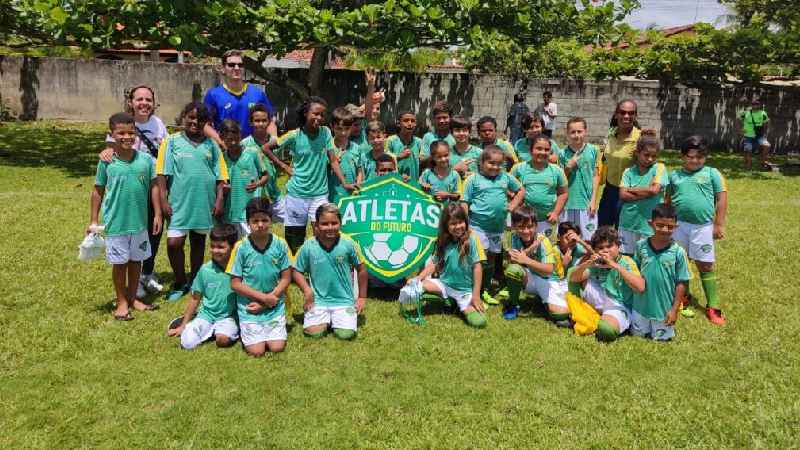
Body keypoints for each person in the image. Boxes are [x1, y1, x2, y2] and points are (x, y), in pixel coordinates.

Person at [89, 112, 162, 320]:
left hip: (139, 223)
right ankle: (121, 301)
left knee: (136, 261)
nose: (127, 137)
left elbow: (155, 187)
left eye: (131, 132)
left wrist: (157, 213)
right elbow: (97, 190)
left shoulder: (146, 160)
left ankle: (132, 297)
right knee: (120, 263)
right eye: (121, 133)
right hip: (117, 223)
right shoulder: (107, 162)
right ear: (112, 134)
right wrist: (93, 220)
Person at [98, 85, 169, 298]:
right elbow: (109, 149)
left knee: (154, 228)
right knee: (131, 229)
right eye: (139, 99)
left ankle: (147, 271)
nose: (144, 103)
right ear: (131, 102)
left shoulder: (158, 124)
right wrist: (106, 152)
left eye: (148, 99)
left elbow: (166, 151)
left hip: (155, 181)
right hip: (131, 186)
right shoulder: (122, 122)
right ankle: (132, 280)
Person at [156, 102, 228, 302]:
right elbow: (162, 173)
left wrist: (220, 199)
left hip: (204, 201)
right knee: (174, 243)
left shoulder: (211, 145)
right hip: (179, 202)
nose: (195, 122)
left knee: (198, 241)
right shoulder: (171, 142)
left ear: (207, 123)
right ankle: (180, 281)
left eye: (201, 120)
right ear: (184, 117)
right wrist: (163, 200)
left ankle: (195, 280)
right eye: (191, 117)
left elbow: (221, 175)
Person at [261, 96, 351, 254]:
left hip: (319, 195)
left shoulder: (326, 133)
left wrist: (344, 182)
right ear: (305, 113)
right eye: (315, 114)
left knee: (324, 234)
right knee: (295, 239)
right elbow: (266, 148)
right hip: (297, 195)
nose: (319, 118)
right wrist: (284, 166)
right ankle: (295, 271)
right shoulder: (294, 135)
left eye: (322, 115)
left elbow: (333, 160)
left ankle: (318, 266)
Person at [666, 136, 728, 326]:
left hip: (702, 227)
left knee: (705, 265)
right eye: (690, 157)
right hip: (679, 227)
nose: (694, 161)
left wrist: (718, 224)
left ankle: (713, 306)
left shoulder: (712, 173)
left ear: (705, 157)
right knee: (679, 262)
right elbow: (667, 200)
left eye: (699, 157)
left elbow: (722, 198)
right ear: (683, 157)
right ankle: (683, 297)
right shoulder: (674, 175)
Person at [293, 204, 368, 340]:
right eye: (324, 224)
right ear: (316, 225)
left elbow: (362, 269)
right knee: (314, 333)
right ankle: (324, 319)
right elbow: (296, 271)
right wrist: (307, 290)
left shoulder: (348, 243)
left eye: (334, 223)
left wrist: (362, 297)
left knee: (345, 334)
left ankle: (337, 319)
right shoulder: (308, 246)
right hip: (318, 301)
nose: (330, 227)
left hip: (344, 300)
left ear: (340, 223)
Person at [227, 198, 292, 356]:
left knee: (277, 347)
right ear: (248, 222)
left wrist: (270, 299)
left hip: (274, 303)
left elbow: (286, 278)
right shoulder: (240, 247)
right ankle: (238, 322)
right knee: (257, 351)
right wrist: (263, 298)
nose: (260, 225)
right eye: (255, 221)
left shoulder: (280, 244)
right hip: (250, 307)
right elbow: (235, 284)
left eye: (264, 220)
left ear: (271, 220)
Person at [407, 202, 488, 328]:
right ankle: (449, 300)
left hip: (464, 291)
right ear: (446, 226)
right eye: (453, 224)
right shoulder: (443, 239)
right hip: (444, 284)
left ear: (465, 221)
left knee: (479, 322)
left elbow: (477, 267)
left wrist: (476, 296)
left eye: (461, 222)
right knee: (417, 287)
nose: (458, 226)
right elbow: (435, 263)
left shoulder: (473, 239)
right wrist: (418, 278)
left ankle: (456, 302)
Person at [463, 146, 525, 304]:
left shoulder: (505, 177)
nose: (495, 167)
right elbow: (464, 202)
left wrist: (513, 205)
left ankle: (485, 289)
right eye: (491, 163)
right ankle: (471, 289)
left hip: (497, 228)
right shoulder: (473, 179)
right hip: (477, 226)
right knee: (479, 258)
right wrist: (466, 225)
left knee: (491, 259)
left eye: (499, 164)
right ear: (481, 163)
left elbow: (521, 190)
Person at [168, 224, 240, 349]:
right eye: (212, 246)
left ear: (233, 247)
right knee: (187, 344)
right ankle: (199, 324)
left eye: (221, 247)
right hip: (207, 315)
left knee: (222, 341)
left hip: (229, 317)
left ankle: (218, 331)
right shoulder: (205, 270)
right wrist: (183, 326)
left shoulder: (240, 269)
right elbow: (195, 298)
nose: (215, 250)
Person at [568, 226, 645, 342]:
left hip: (619, 304)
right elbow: (573, 278)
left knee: (606, 330)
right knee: (573, 272)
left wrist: (614, 265)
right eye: (600, 248)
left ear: (618, 246)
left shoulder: (627, 262)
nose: (605, 250)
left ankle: (593, 318)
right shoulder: (597, 261)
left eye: (609, 246)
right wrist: (588, 264)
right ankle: (580, 312)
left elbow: (640, 287)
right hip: (600, 298)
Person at [630, 204, 691, 341]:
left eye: (670, 227)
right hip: (640, 307)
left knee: (662, 340)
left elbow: (682, 282)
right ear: (651, 223)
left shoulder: (678, 252)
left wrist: (674, 310)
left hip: (663, 310)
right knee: (637, 336)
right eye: (660, 225)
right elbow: (635, 273)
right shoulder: (641, 246)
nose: (664, 230)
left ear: (676, 227)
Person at [503, 206, 571, 324]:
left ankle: (544, 300)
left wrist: (526, 260)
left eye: (530, 227)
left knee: (561, 315)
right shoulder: (514, 238)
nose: (526, 231)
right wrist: (531, 249)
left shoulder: (543, 240)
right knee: (513, 270)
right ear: (514, 226)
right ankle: (513, 304)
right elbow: (515, 261)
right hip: (531, 277)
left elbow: (549, 270)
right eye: (521, 227)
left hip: (548, 279)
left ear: (536, 226)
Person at [203, 49, 276, 142]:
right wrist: (221, 143)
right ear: (223, 68)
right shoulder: (213, 95)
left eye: (240, 65)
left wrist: (273, 138)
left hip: (253, 150)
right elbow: (205, 124)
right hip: (225, 150)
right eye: (231, 65)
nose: (236, 68)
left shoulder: (258, 94)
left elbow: (271, 120)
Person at [618, 130, 669, 255]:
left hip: (650, 224)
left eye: (654, 156)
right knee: (627, 258)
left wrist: (631, 189)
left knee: (648, 258)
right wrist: (648, 190)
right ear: (637, 153)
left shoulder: (659, 168)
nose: (650, 159)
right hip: (628, 222)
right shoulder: (628, 172)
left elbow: (654, 190)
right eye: (646, 155)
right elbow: (623, 195)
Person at [510, 134, 568, 237]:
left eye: (546, 149)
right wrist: (517, 204)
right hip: (524, 221)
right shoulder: (519, 169)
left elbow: (563, 194)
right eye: (539, 149)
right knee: (523, 248)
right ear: (531, 150)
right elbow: (507, 188)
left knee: (545, 248)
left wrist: (555, 213)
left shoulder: (557, 171)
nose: (543, 152)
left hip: (546, 220)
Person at [219, 119, 267, 238]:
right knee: (234, 247)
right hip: (230, 211)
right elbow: (220, 182)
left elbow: (266, 176)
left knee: (252, 243)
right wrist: (223, 188)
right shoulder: (222, 158)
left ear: (240, 136)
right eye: (229, 140)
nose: (234, 143)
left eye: (236, 139)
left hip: (250, 209)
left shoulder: (252, 153)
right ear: (222, 138)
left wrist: (257, 184)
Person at [597, 99, 641, 228]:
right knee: (602, 229)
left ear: (635, 115)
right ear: (616, 114)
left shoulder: (640, 138)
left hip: (629, 193)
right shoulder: (611, 133)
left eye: (630, 113)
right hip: (609, 190)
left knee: (622, 232)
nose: (626, 116)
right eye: (622, 112)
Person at [558, 117, 601, 240]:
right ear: (567, 133)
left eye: (579, 131)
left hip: (586, 204)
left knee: (589, 239)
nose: (576, 135)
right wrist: (568, 167)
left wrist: (593, 201)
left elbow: (595, 176)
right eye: (572, 132)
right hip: (567, 205)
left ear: (585, 131)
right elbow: (560, 182)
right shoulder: (562, 154)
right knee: (566, 239)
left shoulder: (594, 150)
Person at [240, 103, 282, 213]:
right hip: (254, 197)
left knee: (292, 222)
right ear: (251, 122)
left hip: (274, 195)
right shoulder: (244, 145)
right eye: (257, 121)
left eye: (264, 120)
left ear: (269, 122)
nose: (261, 124)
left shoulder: (274, 143)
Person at [328, 107, 361, 204]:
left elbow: (360, 171)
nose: (343, 133)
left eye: (347, 129)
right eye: (339, 128)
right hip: (332, 195)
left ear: (352, 127)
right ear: (332, 126)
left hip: (352, 194)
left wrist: (358, 185)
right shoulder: (327, 148)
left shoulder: (356, 148)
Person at [386, 111, 422, 182]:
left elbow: (423, 163)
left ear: (415, 124)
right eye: (406, 121)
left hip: (414, 183)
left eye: (413, 121)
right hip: (395, 182)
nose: (410, 124)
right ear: (398, 124)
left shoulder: (419, 142)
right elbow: (384, 162)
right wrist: (399, 157)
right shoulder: (391, 140)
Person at [420, 101, 457, 166]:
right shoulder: (428, 137)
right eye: (438, 118)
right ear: (433, 119)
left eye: (445, 117)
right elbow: (422, 161)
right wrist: (437, 154)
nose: (441, 121)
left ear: (450, 118)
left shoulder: (456, 137)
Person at [739, 99, 771, 170]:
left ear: (759, 105)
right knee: (748, 150)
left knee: (767, 146)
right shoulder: (745, 113)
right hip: (748, 135)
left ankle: (763, 162)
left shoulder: (763, 113)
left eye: (757, 104)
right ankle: (748, 165)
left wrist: (765, 132)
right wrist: (740, 129)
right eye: (753, 104)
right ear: (751, 105)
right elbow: (739, 120)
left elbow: (767, 122)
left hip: (759, 135)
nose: (755, 106)